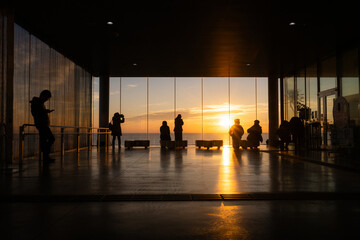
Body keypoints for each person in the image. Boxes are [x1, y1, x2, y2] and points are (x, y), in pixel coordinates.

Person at [30, 90, 55, 162]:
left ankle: (45, 156)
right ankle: (45, 154)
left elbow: (38, 112)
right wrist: (45, 111)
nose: (47, 100)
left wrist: (45, 111)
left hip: (42, 124)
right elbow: (36, 113)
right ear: (43, 96)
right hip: (41, 125)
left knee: (44, 140)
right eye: (46, 98)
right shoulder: (38, 103)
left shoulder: (39, 103)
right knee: (51, 138)